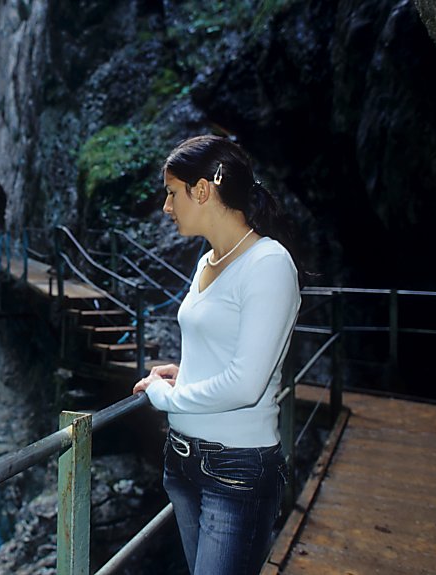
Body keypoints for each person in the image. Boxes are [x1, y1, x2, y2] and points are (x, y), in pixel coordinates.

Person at [132, 135, 301, 575]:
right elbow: (224, 350)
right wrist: (183, 373)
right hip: (183, 462)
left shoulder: (269, 264)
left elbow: (247, 384)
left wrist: (163, 396)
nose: (167, 207)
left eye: (172, 193)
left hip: (236, 470)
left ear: (203, 190)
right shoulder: (207, 261)